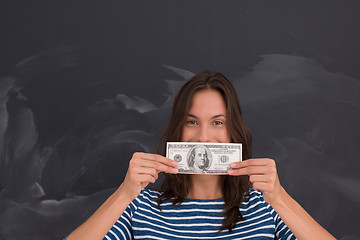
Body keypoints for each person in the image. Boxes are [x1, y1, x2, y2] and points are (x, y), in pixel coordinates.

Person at [66, 71, 336, 239]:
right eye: (192, 122)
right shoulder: (139, 205)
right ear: (177, 130)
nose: (204, 137)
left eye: (217, 122)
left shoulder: (266, 207)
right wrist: (124, 194)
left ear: (233, 132)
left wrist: (280, 198)